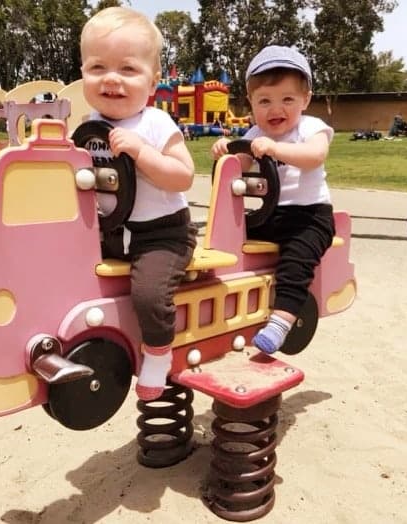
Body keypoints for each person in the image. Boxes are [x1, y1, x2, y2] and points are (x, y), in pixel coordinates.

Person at [80, 6, 197, 401]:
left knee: (148, 294)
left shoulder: (154, 124)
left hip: (161, 235)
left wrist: (143, 153)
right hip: (110, 231)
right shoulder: (88, 125)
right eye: (98, 67)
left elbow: (183, 176)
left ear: (152, 83)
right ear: (83, 73)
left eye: (128, 69)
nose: (111, 78)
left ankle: (159, 354)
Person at [211, 45, 335, 355]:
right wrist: (227, 153)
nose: (275, 109)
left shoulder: (311, 127)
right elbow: (239, 166)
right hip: (272, 215)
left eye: (287, 100)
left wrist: (276, 149)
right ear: (250, 104)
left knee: (295, 262)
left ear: (305, 100)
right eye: (264, 101)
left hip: (310, 217)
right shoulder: (254, 133)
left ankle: (282, 322)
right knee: (231, 241)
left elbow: (314, 156)